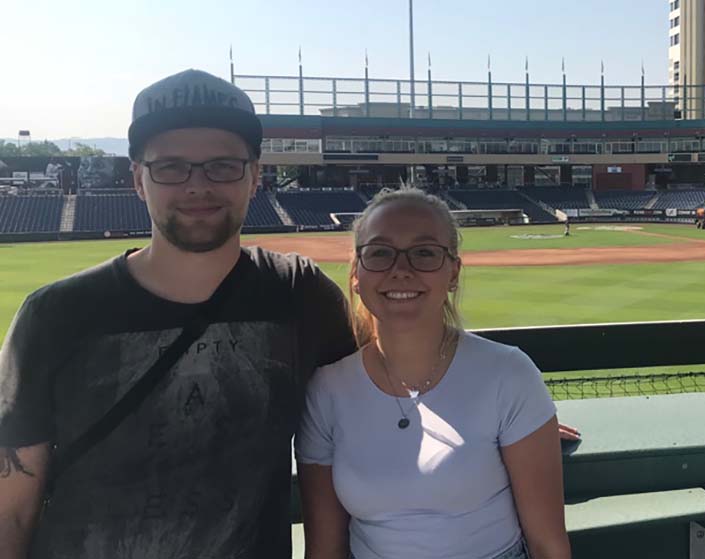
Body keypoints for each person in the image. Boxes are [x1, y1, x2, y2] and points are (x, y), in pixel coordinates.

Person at [0, 69, 360, 558]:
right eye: (170, 167)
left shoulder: (300, 295)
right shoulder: (54, 316)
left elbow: (346, 450)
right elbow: (12, 510)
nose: (197, 186)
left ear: (255, 176)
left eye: (222, 166)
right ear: (138, 179)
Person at [296, 188, 570, 559]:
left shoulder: (508, 374)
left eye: (424, 253)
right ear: (356, 274)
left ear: (453, 272)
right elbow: (324, 549)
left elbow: (548, 546)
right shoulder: (327, 391)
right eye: (380, 253)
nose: (401, 270)